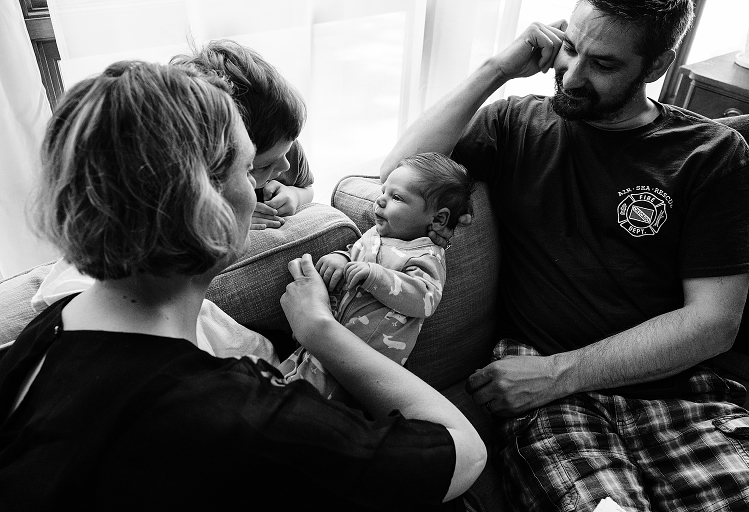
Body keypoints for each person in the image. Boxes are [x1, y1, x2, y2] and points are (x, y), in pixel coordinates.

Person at [0, 61, 486, 511]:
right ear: (204, 200)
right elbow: (462, 450)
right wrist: (320, 332)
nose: (258, 191)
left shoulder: (49, 331)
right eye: (250, 169)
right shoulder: (238, 419)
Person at [381, 0, 749, 511]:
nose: (572, 75)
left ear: (655, 67)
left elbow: (714, 322)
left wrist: (561, 371)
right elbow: (399, 173)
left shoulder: (713, 155)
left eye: (604, 64)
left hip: (678, 394)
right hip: (550, 399)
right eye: (570, 47)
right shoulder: (515, 123)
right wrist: (497, 69)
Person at [279, 152, 473, 403]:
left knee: (308, 403)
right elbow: (355, 252)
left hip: (360, 364)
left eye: (396, 197)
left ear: (438, 219)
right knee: (281, 381)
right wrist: (342, 258)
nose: (380, 201)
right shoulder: (376, 234)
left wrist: (376, 276)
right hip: (326, 340)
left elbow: (426, 298)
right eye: (384, 191)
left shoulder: (426, 255)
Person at [171, 39, 315, 230]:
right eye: (264, 166)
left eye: (286, 151)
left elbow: (307, 188)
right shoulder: (196, 186)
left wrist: (295, 195)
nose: (285, 165)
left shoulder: (286, 150)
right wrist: (232, 218)